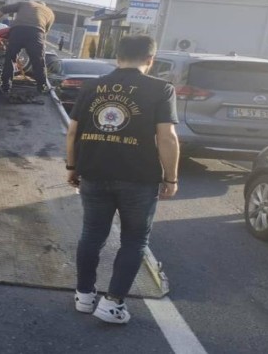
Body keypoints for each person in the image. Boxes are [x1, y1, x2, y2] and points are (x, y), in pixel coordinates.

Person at [64, 35, 180, 324]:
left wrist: (71, 166)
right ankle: (112, 303)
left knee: (92, 235)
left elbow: (72, 132)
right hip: (138, 179)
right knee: (134, 239)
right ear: (150, 60)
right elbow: (167, 137)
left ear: (118, 56)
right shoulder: (161, 89)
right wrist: (171, 178)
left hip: (93, 172)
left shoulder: (92, 85)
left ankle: (84, 295)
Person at [0, 0, 55, 95]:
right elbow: (45, 31)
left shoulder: (26, 3)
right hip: (36, 33)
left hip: (18, 31)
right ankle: (42, 87)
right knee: (38, 61)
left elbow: (4, 9)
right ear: (44, 5)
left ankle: (5, 86)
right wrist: (40, 44)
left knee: (10, 58)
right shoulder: (49, 12)